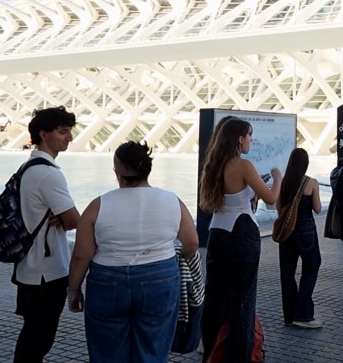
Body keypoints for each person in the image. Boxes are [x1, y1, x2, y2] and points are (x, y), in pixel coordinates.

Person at [67, 141, 199, 362]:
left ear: (118, 172)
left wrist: (73, 290)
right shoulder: (172, 201)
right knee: (153, 350)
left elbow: (82, 254)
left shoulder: (98, 205)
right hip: (160, 278)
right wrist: (180, 259)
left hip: (108, 281)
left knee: (107, 352)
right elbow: (192, 242)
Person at [199, 117, 282, 361]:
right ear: (239, 138)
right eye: (249, 135)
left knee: (215, 299)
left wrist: (250, 193)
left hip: (217, 233)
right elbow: (271, 199)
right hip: (242, 233)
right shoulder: (243, 165)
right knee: (242, 303)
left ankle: (212, 351)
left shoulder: (213, 164)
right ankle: (239, 356)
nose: (251, 140)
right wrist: (277, 178)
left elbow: (227, 199)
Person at [12, 106, 80, 363]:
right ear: (43, 134)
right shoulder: (48, 174)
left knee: (33, 336)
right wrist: (66, 218)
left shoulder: (28, 167)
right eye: (63, 132)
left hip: (29, 267)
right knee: (37, 338)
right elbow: (74, 220)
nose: (69, 138)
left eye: (69, 131)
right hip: (46, 272)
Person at [277, 148, 323, 329]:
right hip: (306, 231)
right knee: (312, 266)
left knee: (287, 274)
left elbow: (279, 208)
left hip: (287, 233)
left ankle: (289, 315)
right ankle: (303, 314)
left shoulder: (283, 182)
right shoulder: (311, 183)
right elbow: (318, 208)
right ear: (306, 164)